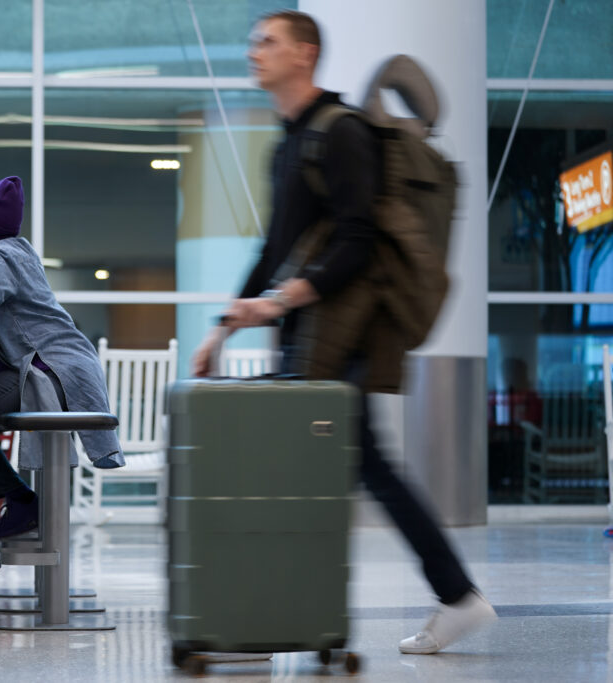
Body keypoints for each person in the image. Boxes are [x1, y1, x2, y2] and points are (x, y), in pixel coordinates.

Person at [191, 10, 496, 655]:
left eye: (267, 42)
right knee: (338, 470)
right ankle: (317, 609)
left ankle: (450, 598)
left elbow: (358, 243)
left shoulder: (343, 133)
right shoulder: (289, 143)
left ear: (305, 54)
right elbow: (273, 249)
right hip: (312, 337)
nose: (255, 52)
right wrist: (222, 328)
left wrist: (278, 303)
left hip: (349, 338)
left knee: (361, 467)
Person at [0, 176, 124, 575]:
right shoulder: (15, 252)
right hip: (59, 366)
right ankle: (21, 503)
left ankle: (11, 514)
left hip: (51, 371)